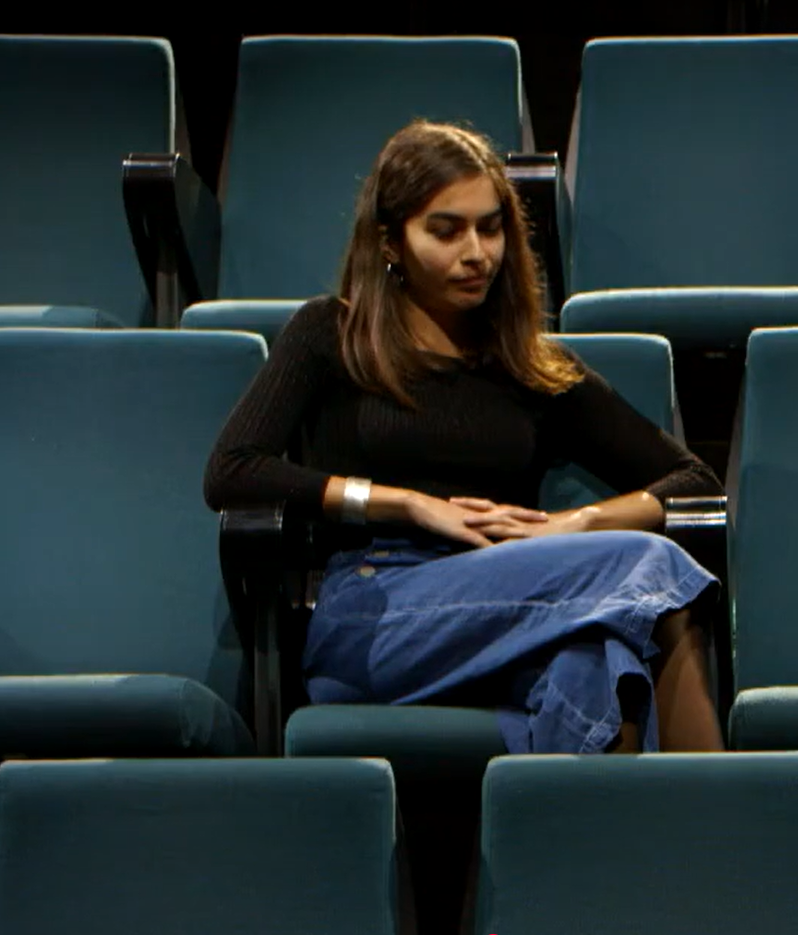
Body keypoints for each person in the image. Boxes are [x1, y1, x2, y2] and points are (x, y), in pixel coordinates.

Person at [204, 120, 725, 755]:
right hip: (375, 610)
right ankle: (721, 808)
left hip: (517, 603)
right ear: (391, 242)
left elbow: (693, 483)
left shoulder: (531, 368)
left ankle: (609, 822)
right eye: (446, 231)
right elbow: (233, 469)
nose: (477, 253)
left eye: (491, 228)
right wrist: (403, 503)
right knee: (654, 564)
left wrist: (571, 524)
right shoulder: (331, 334)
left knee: (599, 667)